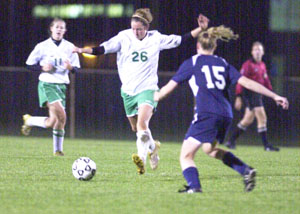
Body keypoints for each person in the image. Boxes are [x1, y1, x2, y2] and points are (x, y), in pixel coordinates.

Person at [73, 8, 209, 174]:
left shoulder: (156, 38)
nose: (136, 32)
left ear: (147, 28)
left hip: (148, 89)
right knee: (137, 130)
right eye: (133, 28)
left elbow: (181, 39)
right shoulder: (123, 37)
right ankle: (153, 149)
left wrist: (200, 29)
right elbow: (101, 49)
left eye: (139, 29)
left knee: (142, 124)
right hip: (128, 91)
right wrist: (82, 50)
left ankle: (141, 160)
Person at [154, 26, 288, 193]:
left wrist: (154, 97)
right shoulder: (222, 63)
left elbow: (167, 89)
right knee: (209, 149)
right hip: (226, 115)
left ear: (198, 46)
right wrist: (274, 95)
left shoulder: (192, 63)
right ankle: (245, 170)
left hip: (207, 114)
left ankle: (194, 188)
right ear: (214, 46)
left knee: (186, 156)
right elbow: (246, 82)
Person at [22, 18, 80, 156]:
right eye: (57, 27)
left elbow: (76, 69)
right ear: (51, 29)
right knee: (63, 116)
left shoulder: (70, 47)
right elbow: (29, 65)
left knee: (52, 121)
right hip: (47, 84)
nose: (59, 29)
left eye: (62, 27)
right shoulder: (42, 46)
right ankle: (58, 151)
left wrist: (70, 67)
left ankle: (29, 120)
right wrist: (42, 67)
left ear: (65, 31)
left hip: (61, 86)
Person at [225, 42, 279, 151]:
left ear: (263, 52)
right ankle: (266, 145)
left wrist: (274, 95)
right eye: (255, 49)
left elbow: (266, 81)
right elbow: (240, 81)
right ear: (252, 52)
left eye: (259, 49)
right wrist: (239, 96)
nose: (257, 51)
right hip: (250, 93)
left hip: (258, 94)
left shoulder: (262, 65)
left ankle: (231, 141)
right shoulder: (247, 65)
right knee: (262, 117)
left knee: (247, 120)